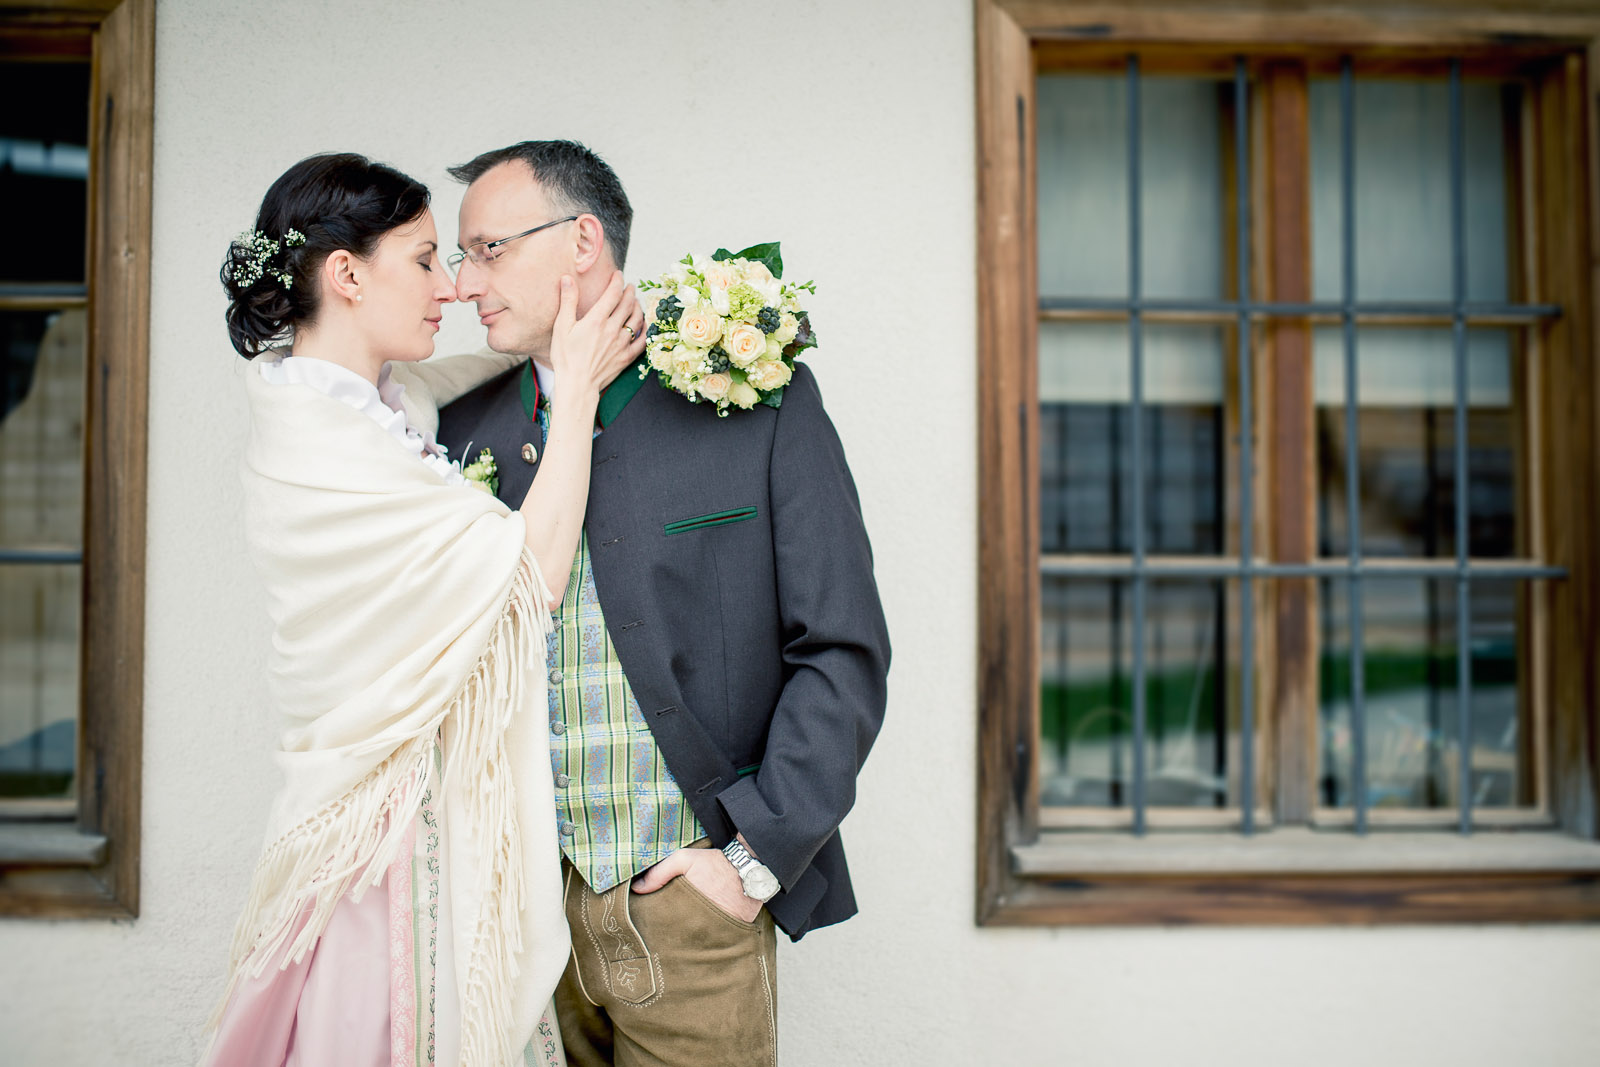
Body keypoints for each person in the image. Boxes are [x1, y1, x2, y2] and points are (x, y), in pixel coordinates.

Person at [436, 140, 891, 1067]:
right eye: (456, 254)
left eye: (486, 248)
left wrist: (747, 862)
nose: (461, 280)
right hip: (521, 930)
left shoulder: (753, 400)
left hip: (689, 910)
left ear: (582, 240)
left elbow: (841, 646)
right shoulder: (462, 431)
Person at [203, 151, 644, 1067]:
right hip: (379, 842)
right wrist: (578, 399)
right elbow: (529, 579)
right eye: (427, 259)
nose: (451, 287)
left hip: (424, 815)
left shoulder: (376, 404)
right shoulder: (321, 442)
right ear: (347, 273)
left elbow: (454, 376)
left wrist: (558, 326)